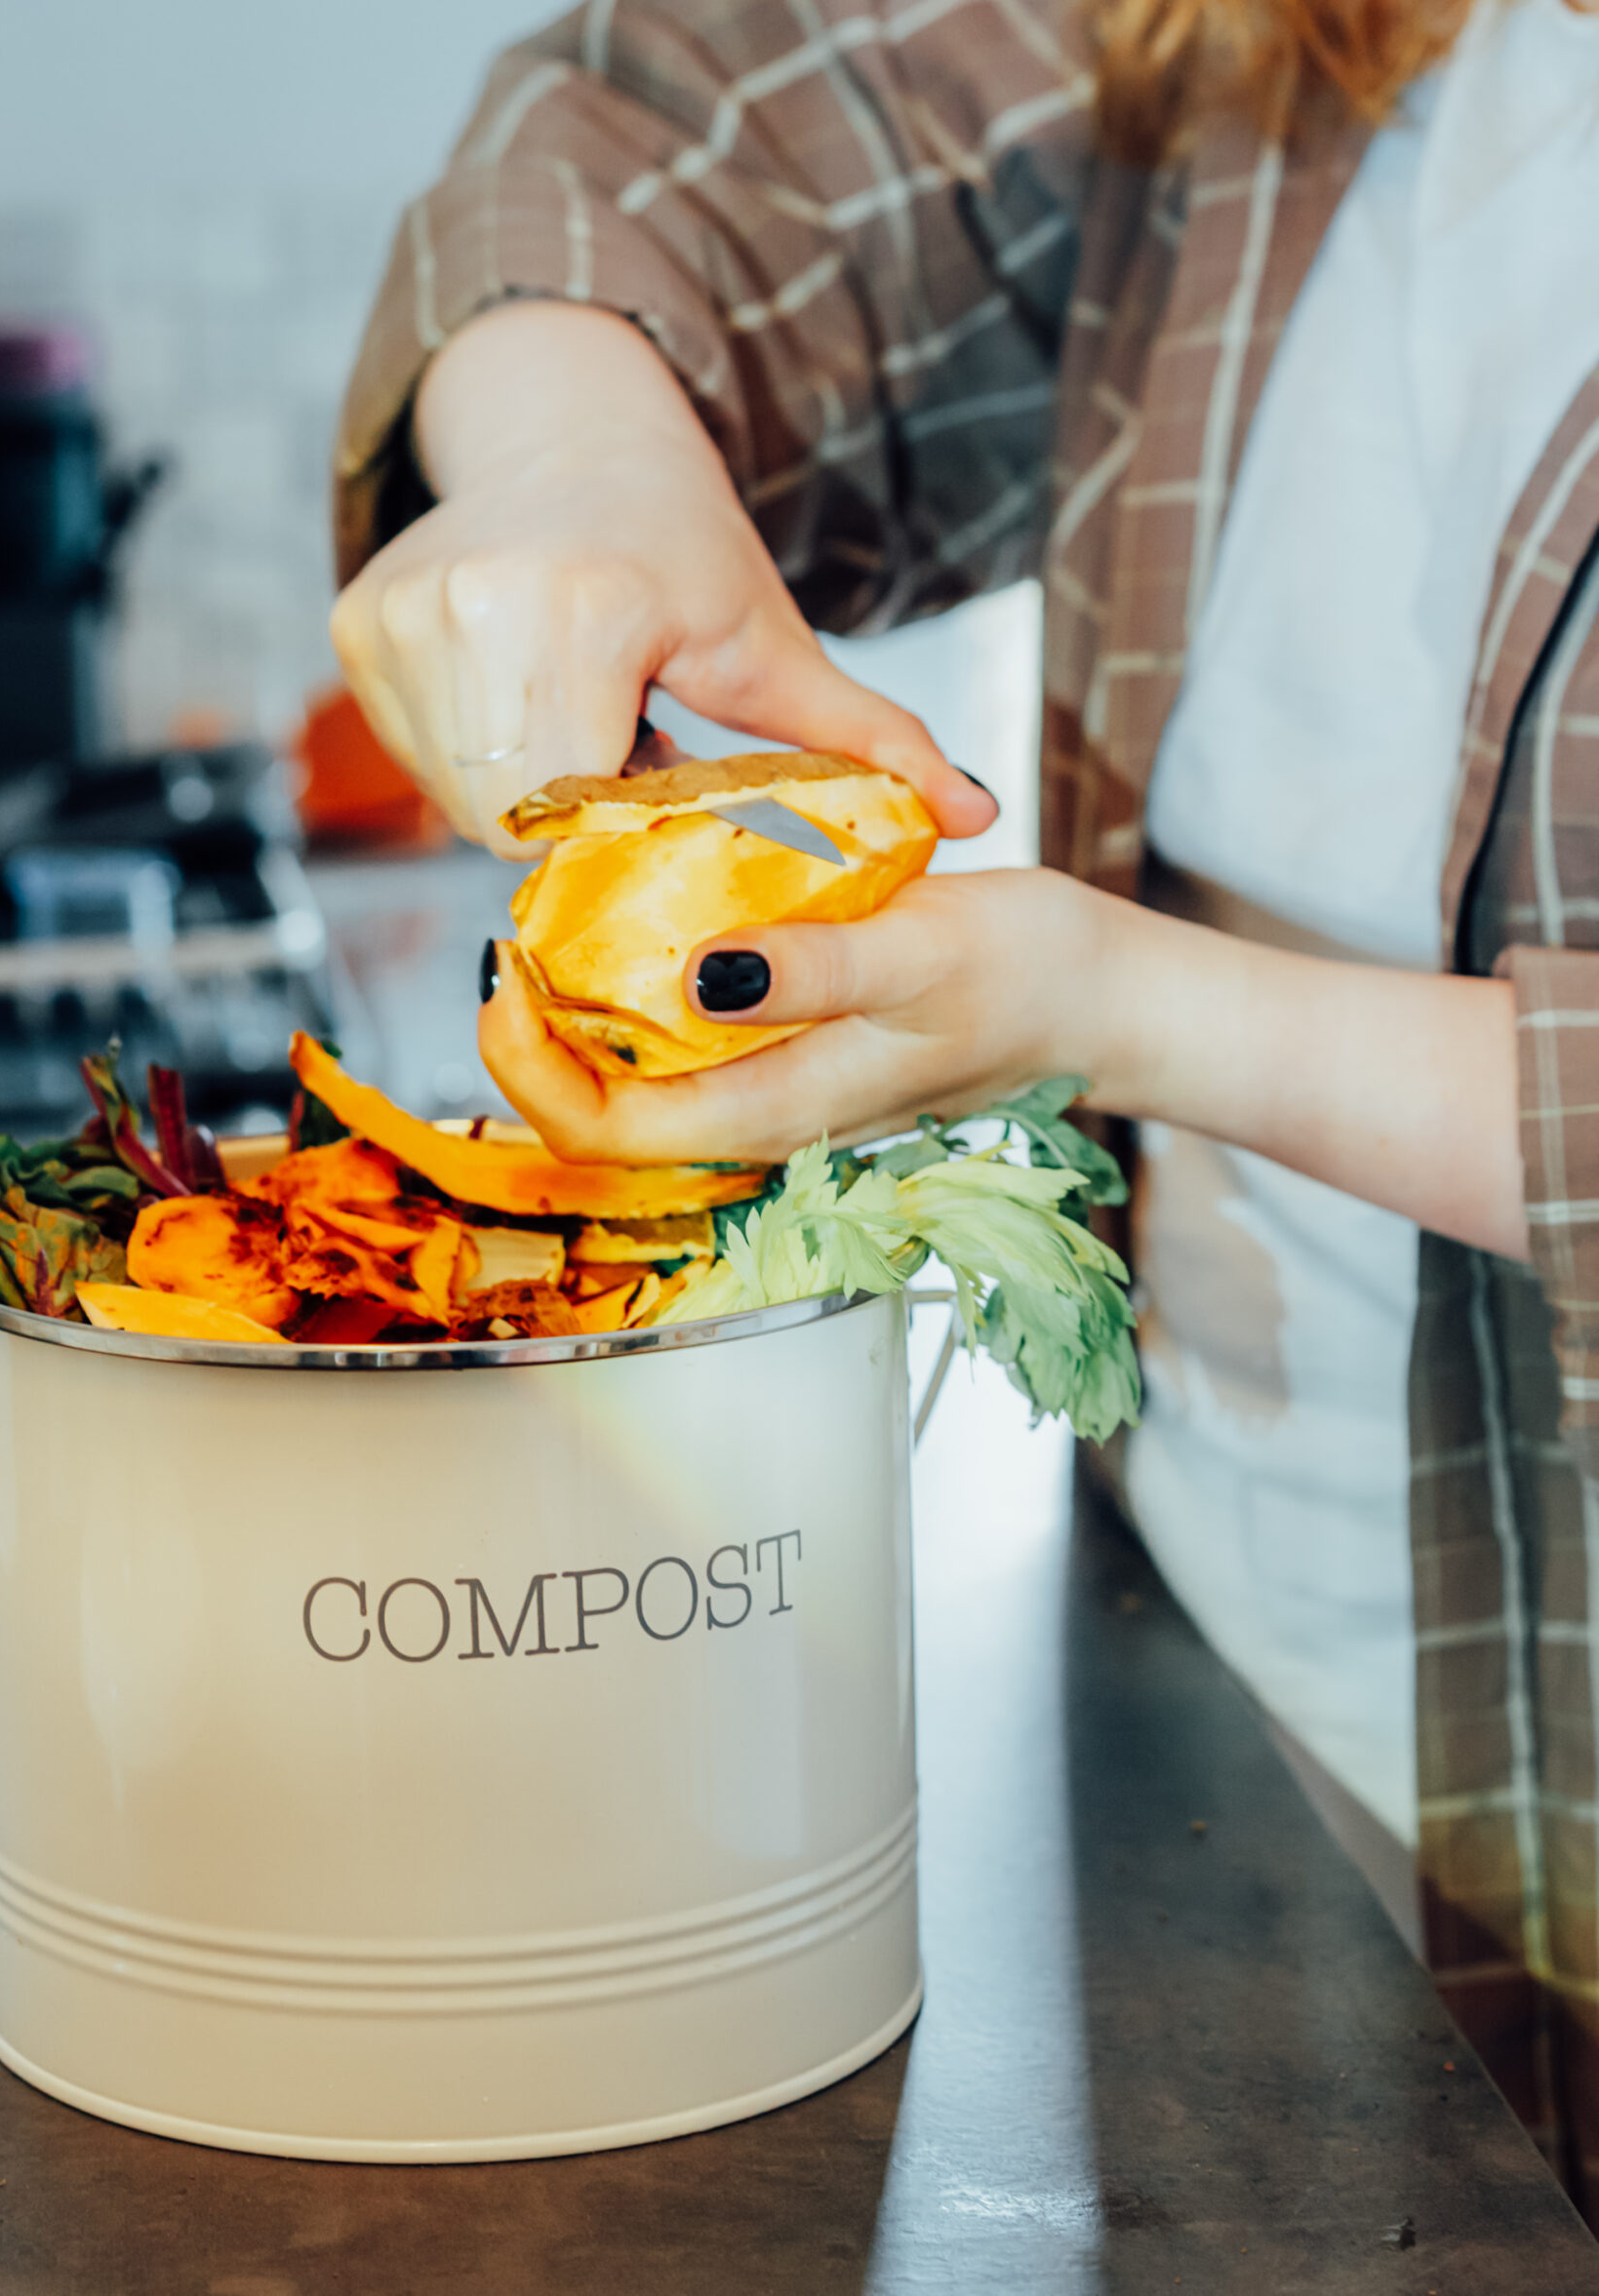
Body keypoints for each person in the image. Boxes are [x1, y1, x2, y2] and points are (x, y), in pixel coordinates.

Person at [329, 0, 1599, 2207]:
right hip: (1226, 1721)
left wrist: (1117, 1002)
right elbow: (657, 123)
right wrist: (578, 458)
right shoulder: (1272, 51)